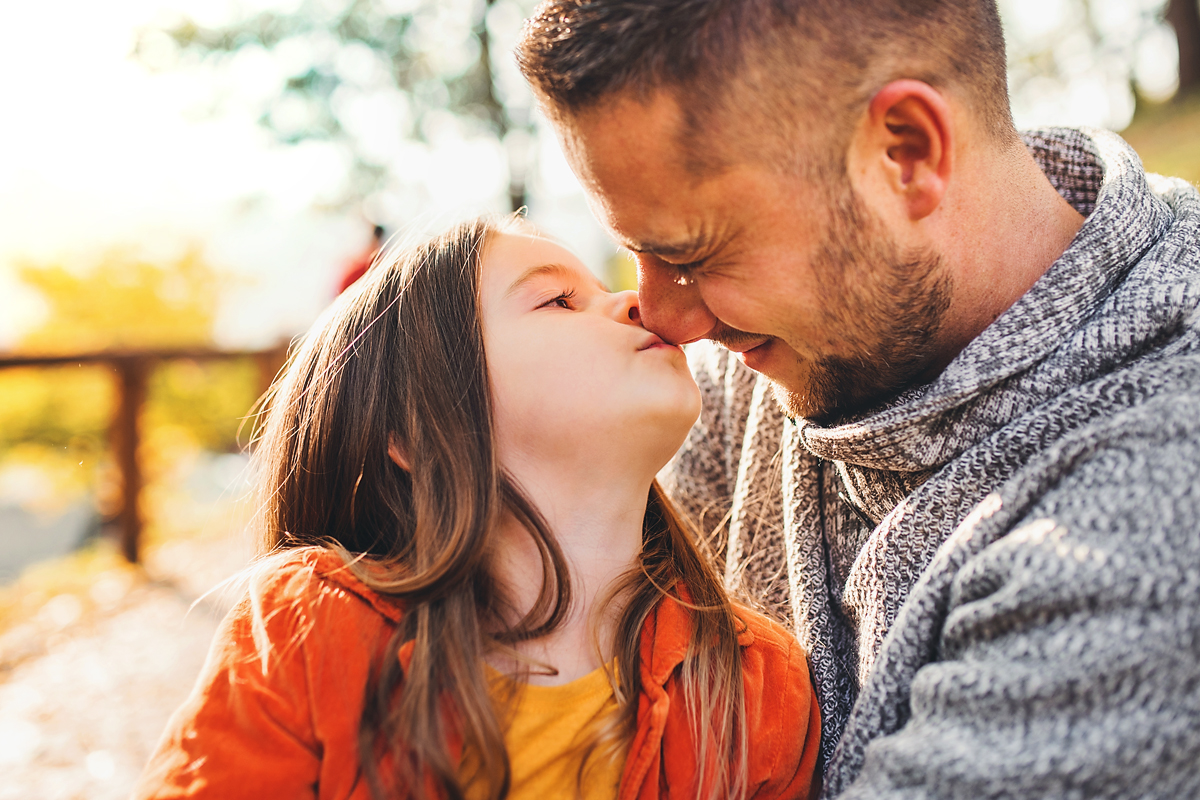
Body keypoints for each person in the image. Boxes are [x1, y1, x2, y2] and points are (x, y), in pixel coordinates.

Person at [516, 1, 1200, 798]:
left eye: (692, 254)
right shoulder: (767, 360)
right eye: (634, 250)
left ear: (905, 152)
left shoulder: (1150, 516)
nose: (666, 320)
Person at [132, 217, 821, 800]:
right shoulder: (308, 636)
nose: (637, 302)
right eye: (559, 300)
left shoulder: (761, 691)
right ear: (422, 427)